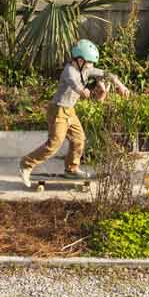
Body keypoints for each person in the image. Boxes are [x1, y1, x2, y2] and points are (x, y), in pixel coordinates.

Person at [19, 39, 127, 187]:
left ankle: (71, 169)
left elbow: (106, 73)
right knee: (54, 144)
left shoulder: (85, 68)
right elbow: (77, 87)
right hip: (58, 110)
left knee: (79, 139)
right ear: (80, 60)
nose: (92, 66)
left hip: (69, 111)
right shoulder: (69, 71)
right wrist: (88, 92)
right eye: (90, 63)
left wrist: (119, 85)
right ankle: (26, 164)